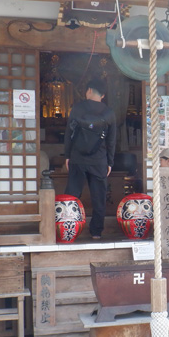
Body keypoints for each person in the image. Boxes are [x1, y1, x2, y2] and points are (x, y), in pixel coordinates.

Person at [63, 79, 116, 240]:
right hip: (99, 160)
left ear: (90, 90)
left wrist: (67, 155)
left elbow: (69, 133)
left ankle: (67, 229)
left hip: (78, 158)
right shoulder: (109, 113)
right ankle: (96, 232)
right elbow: (111, 140)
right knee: (99, 197)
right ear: (103, 95)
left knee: (72, 195)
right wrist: (110, 162)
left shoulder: (77, 108)